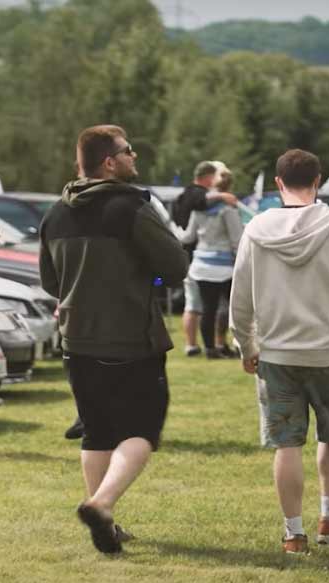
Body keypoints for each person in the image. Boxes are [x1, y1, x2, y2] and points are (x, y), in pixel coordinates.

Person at [39, 124, 187, 554]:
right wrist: (150, 277)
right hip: (131, 341)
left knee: (97, 432)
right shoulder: (132, 207)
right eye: (128, 151)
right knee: (142, 428)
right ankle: (101, 505)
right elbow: (174, 267)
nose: (134, 158)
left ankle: (104, 521)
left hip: (77, 341)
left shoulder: (55, 213)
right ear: (109, 161)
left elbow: (51, 281)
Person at [230, 149, 329, 555]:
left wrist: (247, 345)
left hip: (277, 354)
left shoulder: (256, 228)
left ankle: (293, 534)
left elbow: (239, 299)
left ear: (278, 183)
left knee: (287, 444)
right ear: (319, 180)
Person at [173, 160, 238, 356]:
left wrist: (172, 230)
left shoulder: (198, 209)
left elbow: (188, 237)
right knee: (230, 307)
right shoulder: (228, 209)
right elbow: (237, 240)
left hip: (201, 264)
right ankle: (224, 344)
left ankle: (209, 348)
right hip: (224, 265)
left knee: (207, 309)